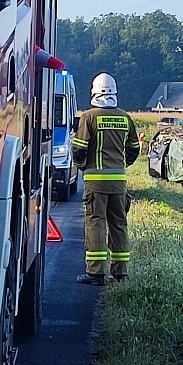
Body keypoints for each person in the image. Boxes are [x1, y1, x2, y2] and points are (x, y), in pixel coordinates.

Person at [72, 72, 141, 286]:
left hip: (96, 182)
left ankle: (96, 273)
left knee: (96, 223)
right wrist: (121, 165)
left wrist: (82, 167)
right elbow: (134, 148)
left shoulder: (89, 117)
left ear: (94, 92)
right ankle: (120, 272)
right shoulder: (125, 117)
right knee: (119, 224)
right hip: (119, 183)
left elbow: (79, 150)